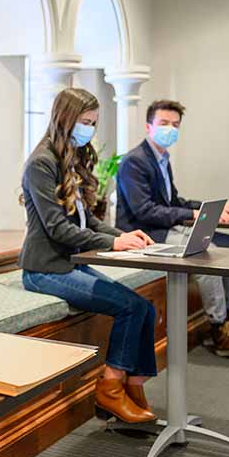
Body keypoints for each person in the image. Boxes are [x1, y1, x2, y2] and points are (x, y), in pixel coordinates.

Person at [19, 87, 158, 424]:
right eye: (84, 122)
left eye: (93, 123)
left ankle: (133, 386)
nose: (89, 130)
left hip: (68, 265)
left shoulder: (70, 158)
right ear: (65, 120)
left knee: (146, 308)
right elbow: (57, 229)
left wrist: (122, 235)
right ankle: (110, 388)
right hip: (44, 269)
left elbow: (87, 221)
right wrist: (113, 245)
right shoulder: (42, 163)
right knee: (131, 306)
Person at [116, 99, 229, 358]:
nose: (170, 129)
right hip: (145, 233)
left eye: (175, 125)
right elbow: (145, 211)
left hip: (164, 226)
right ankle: (219, 329)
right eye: (163, 123)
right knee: (208, 253)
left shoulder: (162, 159)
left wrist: (213, 208)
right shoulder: (134, 161)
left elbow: (174, 203)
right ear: (148, 126)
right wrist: (195, 214)